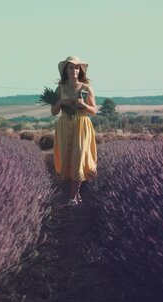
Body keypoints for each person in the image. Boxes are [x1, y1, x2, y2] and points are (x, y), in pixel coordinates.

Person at [51, 56, 98, 206]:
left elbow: (94, 110)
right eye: (71, 67)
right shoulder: (60, 89)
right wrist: (60, 102)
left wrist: (83, 105)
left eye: (77, 67)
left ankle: (71, 198)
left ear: (81, 71)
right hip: (65, 125)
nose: (74, 70)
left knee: (78, 159)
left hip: (82, 125)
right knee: (67, 159)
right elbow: (53, 111)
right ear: (66, 70)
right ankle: (75, 194)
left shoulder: (86, 88)